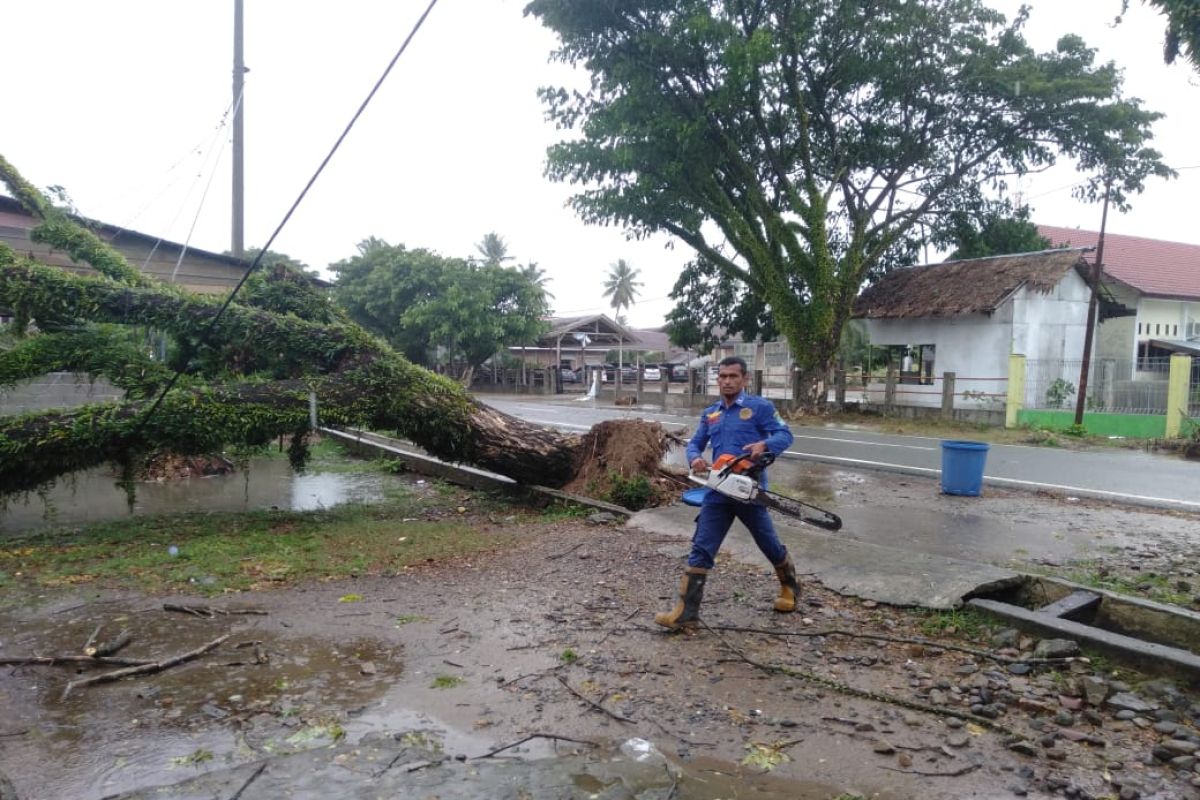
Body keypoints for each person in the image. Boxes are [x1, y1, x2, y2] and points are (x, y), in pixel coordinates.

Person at [655, 356, 799, 631]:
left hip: (748, 491)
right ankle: (686, 614)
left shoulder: (760, 407)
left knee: (768, 543)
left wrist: (765, 444)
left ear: (745, 379)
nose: (727, 381)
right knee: (702, 546)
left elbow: (785, 435)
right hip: (718, 490)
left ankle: (790, 588)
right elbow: (695, 443)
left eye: (733, 376)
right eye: (722, 376)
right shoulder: (711, 413)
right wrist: (695, 457)